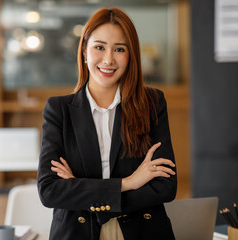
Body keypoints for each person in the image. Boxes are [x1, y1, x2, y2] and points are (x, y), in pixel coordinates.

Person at [37, 7, 177, 240]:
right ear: (84, 51)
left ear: (131, 55)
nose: (108, 59)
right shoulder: (59, 110)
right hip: (77, 233)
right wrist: (129, 182)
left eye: (119, 49)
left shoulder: (152, 103)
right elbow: (49, 191)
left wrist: (81, 189)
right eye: (99, 47)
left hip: (142, 231)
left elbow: (165, 185)